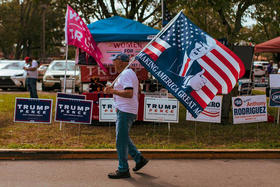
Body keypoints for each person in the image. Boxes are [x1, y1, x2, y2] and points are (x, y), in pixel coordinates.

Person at [104, 53, 148, 179]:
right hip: (126, 110)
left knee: (120, 141)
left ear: (122, 61)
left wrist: (112, 91)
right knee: (123, 138)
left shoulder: (126, 73)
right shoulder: (128, 73)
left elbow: (129, 93)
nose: (113, 63)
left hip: (125, 111)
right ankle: (139, 159)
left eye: (115, 60)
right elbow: (137, 91)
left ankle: (123, 169)